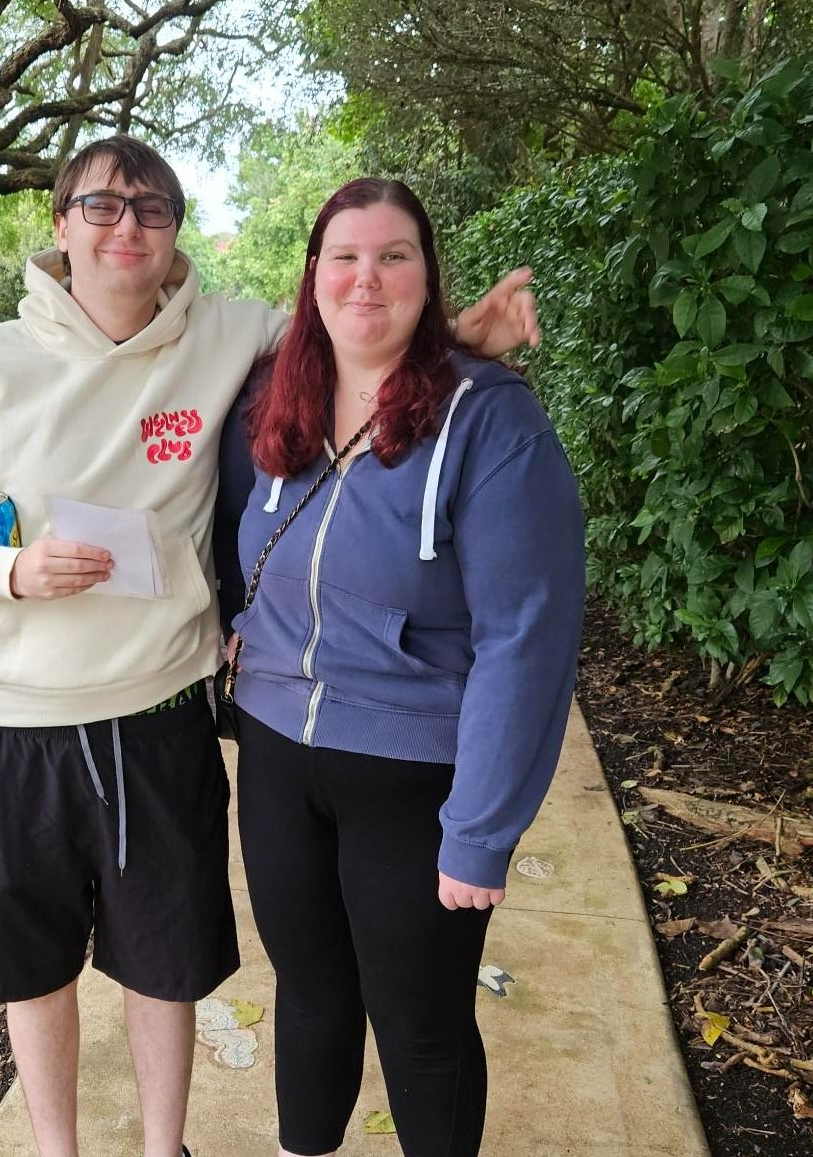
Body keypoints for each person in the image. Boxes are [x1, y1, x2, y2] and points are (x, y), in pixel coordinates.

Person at [0, 138, 541, 1157]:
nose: (127, 227)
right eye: (100, 206)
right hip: (14, 714)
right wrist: (3, 569)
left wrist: (457, 333)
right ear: (60, 225)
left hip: (158, 708)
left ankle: (162, 1145)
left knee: (163, 958)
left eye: (152, 208)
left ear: (176, 229)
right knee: (33, 963)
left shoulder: (225, 335)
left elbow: (356, 329)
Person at [215, 177, 585, 1157]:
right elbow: (215, 531)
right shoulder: (272, 403)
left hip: (415, 771)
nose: (365, 278)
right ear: (312, 275)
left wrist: (481, 830)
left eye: (394, 256)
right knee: (312, 995)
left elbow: (528, 634)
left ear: (428, 275)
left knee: (420, 1028)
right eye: (344, 255)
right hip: (278, 753)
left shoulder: (492, 422)